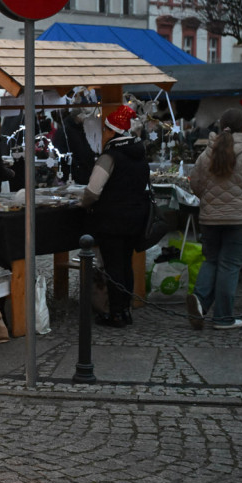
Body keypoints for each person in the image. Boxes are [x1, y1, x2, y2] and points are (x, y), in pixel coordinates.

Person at [185, 107, 242, 330]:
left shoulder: (207, 154)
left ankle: (200, 301)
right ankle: (223, 317)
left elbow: (194, 184)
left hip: (209, 218)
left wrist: (209, 200)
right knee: (230, 265)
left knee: (212, 260)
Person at [81, 105, 149, 328]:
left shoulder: (109, 157)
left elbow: (92, 192)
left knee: (113, 266)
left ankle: (116, 313)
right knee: (125, 264)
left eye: (104, 131)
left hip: (112, 220)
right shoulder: (140, 154)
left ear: (111, 132)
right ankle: (125, 309)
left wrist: (84, 204)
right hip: (135, 218)